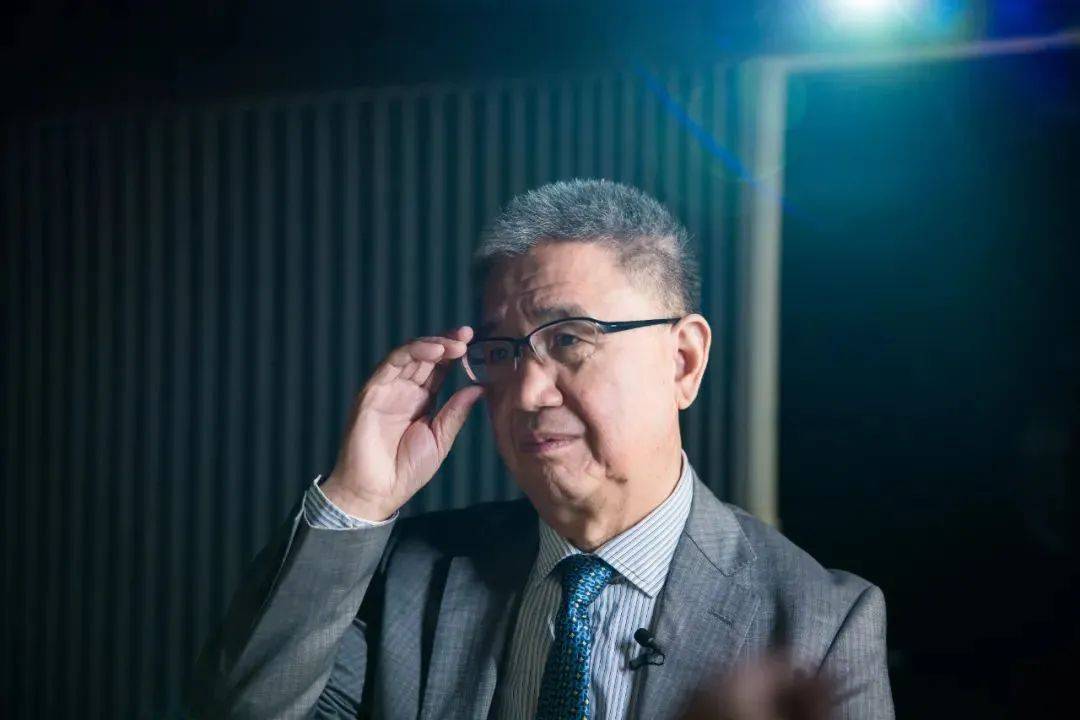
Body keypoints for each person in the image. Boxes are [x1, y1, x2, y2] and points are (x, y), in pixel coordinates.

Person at [188, 179, 894, 719]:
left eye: (570, 339)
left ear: (682, 360)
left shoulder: (820, 626)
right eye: (502, 351)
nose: (527, 393)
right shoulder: (409, 574)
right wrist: (357, 497)